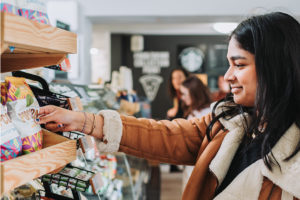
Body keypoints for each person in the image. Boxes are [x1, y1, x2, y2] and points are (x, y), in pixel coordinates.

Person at [38, 12, 300, 200]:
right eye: (229, 63)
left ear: (275, 68)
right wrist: (85, 122)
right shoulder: (230, 122)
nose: (228, 76)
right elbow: (167, 135)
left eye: (239, 64)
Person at [179, 75, 212, 192]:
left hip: (198, 167)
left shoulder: (204, 115)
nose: (182, 98)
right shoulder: (197, 111)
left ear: (194, 93)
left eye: (184, 94)